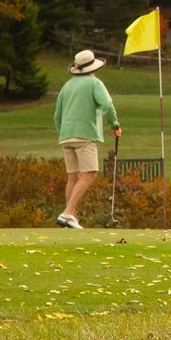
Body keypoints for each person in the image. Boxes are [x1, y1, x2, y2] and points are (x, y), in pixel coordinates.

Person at [54, 49, 121, 228]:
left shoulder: (66, 86)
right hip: (84, 135)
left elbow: (57, 116)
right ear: (93, 67)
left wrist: (63, 133)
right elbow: (107, 104)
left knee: (73, 177)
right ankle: (68, 213)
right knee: (89, 175)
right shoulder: (94, 83)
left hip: (66, 136)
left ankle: (70, 218)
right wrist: (114, 125)